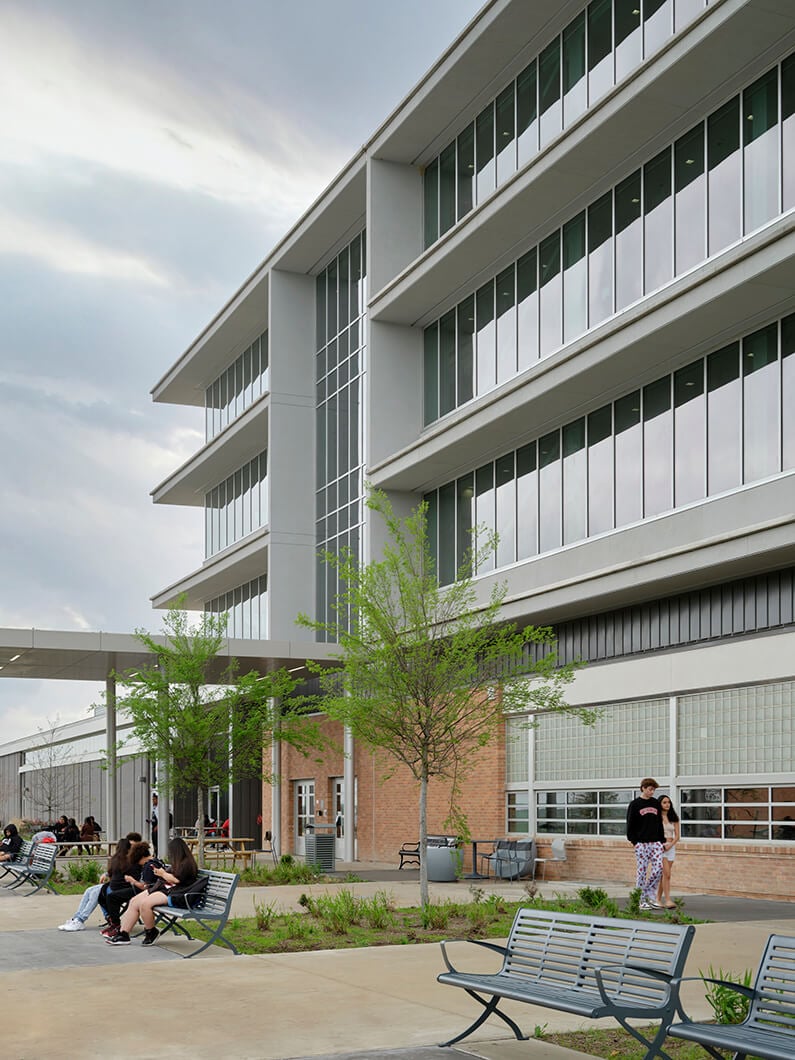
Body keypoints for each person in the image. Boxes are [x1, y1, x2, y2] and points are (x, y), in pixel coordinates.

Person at [107, 837, 202, 947]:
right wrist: (162, 874)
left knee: (145, 904)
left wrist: (162, 874)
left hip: (178, 894)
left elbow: (177, 880)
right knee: (134, 901)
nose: (170, 854)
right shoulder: (179, 863)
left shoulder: (187, 864)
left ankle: (151, 931)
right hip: (168, 889)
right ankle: (124, 934)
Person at [58, 832, 143, 931]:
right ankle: (76, 918)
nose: (131, 848)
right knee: (89, 890)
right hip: (116, 885)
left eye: (133, 846)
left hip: (124, 888)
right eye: (130, 845)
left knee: (96, 893)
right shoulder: (123, 858)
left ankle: (80, 920)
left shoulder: (137, 858)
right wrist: (106, 874)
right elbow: (115, 871)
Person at [625, 777, 665, 910]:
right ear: (643, 788)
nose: (652, 792)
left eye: (654, 790)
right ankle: (640, 899)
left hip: (656, 842)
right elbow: (630, 824)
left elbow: (659, 822)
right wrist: (634, 841)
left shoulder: (655, 803)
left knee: (658, 869)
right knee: (642, 873)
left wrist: (661, 840)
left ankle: (650, 895)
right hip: (641, 843)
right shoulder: (635, 804)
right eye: (650, 789)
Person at [655, 795, 680, 910]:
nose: (667, 804)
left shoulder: (674, 818)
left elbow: (677, 836)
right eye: (664, 802)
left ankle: (658, 899)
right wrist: (662, 845)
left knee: (664, 876)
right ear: (660, 804)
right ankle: (668, 899)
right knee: (667, 874)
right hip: (661, 847)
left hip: (671, 847)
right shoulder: (656, 818)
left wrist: (671, 845)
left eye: (668, 802)